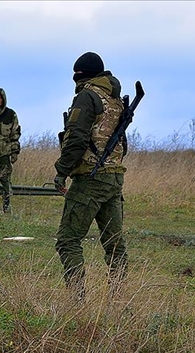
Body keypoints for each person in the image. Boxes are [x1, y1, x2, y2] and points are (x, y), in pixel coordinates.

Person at [52, 52, 128, 295]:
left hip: (90, 177)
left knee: (68, 240)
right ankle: (119, 299)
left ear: (80, 75)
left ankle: (76, 301)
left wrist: (62, 171)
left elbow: (76, 138)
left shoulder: (88, 96)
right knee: (115, 245)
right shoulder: (115, 98)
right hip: (114, 177)